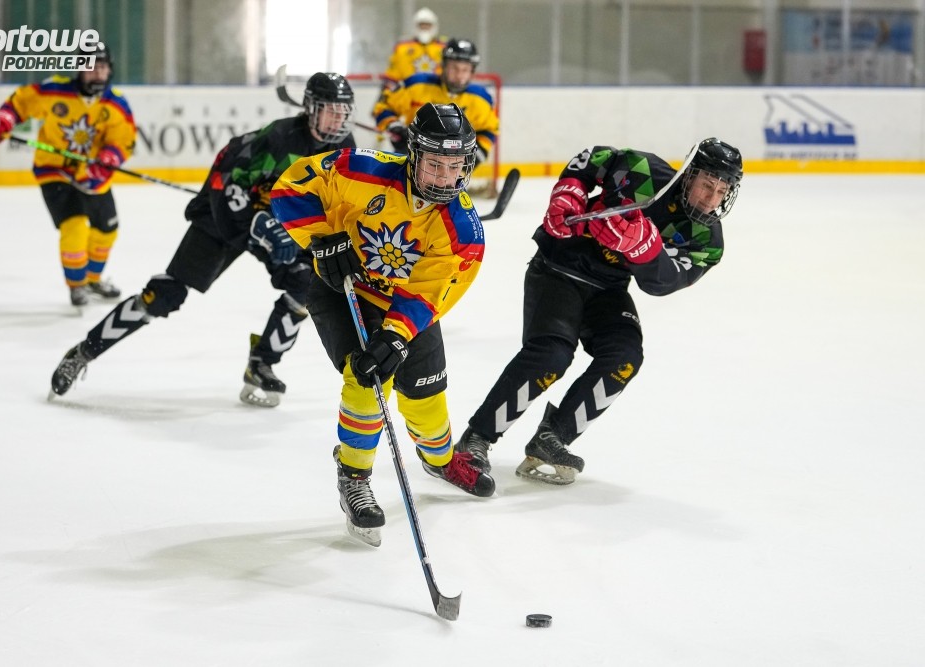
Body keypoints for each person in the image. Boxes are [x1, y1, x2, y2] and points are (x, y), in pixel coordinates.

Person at [48, 73, 357, 407]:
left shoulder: (344, 150)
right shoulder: (280, 137)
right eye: (330, 110)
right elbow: (227, 177)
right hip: (225, 217)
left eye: (342, 112)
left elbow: (344, 199)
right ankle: (83, 352)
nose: (337, 120)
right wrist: (254, 220)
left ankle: (261, 364)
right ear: (310, 108)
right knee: (165, 294)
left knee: (305, 283)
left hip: (277, 222)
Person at [453, 138, 744, 488]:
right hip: (559, 267)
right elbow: (592, 159)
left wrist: (645, 249)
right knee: (552, 355)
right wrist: (570, 191)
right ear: (689, 174)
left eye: (721, 191)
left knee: (625, 356)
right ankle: (476, 438)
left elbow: (665, 282)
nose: (711, 199)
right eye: (707, 185)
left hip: (608, 287)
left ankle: (553, 436)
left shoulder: (706, 239)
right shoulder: (645, 170)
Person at [270, 103, 495, 547]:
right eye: (435, 164)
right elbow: (290, 187)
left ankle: (440, 459)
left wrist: (396, 335)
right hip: (342, 289)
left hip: (405, 304)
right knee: (367, 376)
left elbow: (429, 294)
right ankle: (353, 476)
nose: (445, 178)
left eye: (455, 166)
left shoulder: (463, 231)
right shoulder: (362, 169)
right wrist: (322, 239)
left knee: (426, 396)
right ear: (414, 155)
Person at [0, 43, 136, 307]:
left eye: (102, 67)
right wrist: (4, 117)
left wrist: (110, 157)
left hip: (92, 175)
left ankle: (93, 279)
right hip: (54, 171)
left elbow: (124, 140)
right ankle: (77, 285)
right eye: (91, 67)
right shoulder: (55, 91)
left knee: (107, 229)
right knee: (75, 225)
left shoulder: (116, 103)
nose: (98, 73)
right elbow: (22, 102)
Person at [373, 37, 498, 167]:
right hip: (411, 158)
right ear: (443, 65)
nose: (459, 75)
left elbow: (490, 129)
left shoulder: (481, 98)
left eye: (465, 70)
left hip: (452, 168)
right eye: (454, 68)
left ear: (472, 72)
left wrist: (478, 153)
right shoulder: (417, 84)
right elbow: (383, 107)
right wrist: (394, 126)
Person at [380, 7, 447, 92]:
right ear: (415, 26)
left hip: (437, 94)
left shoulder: (444, 48)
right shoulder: (402, 48)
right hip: (408, 95)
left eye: (427, 25)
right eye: (421, 25)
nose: (424, 28)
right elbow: (391, 78)